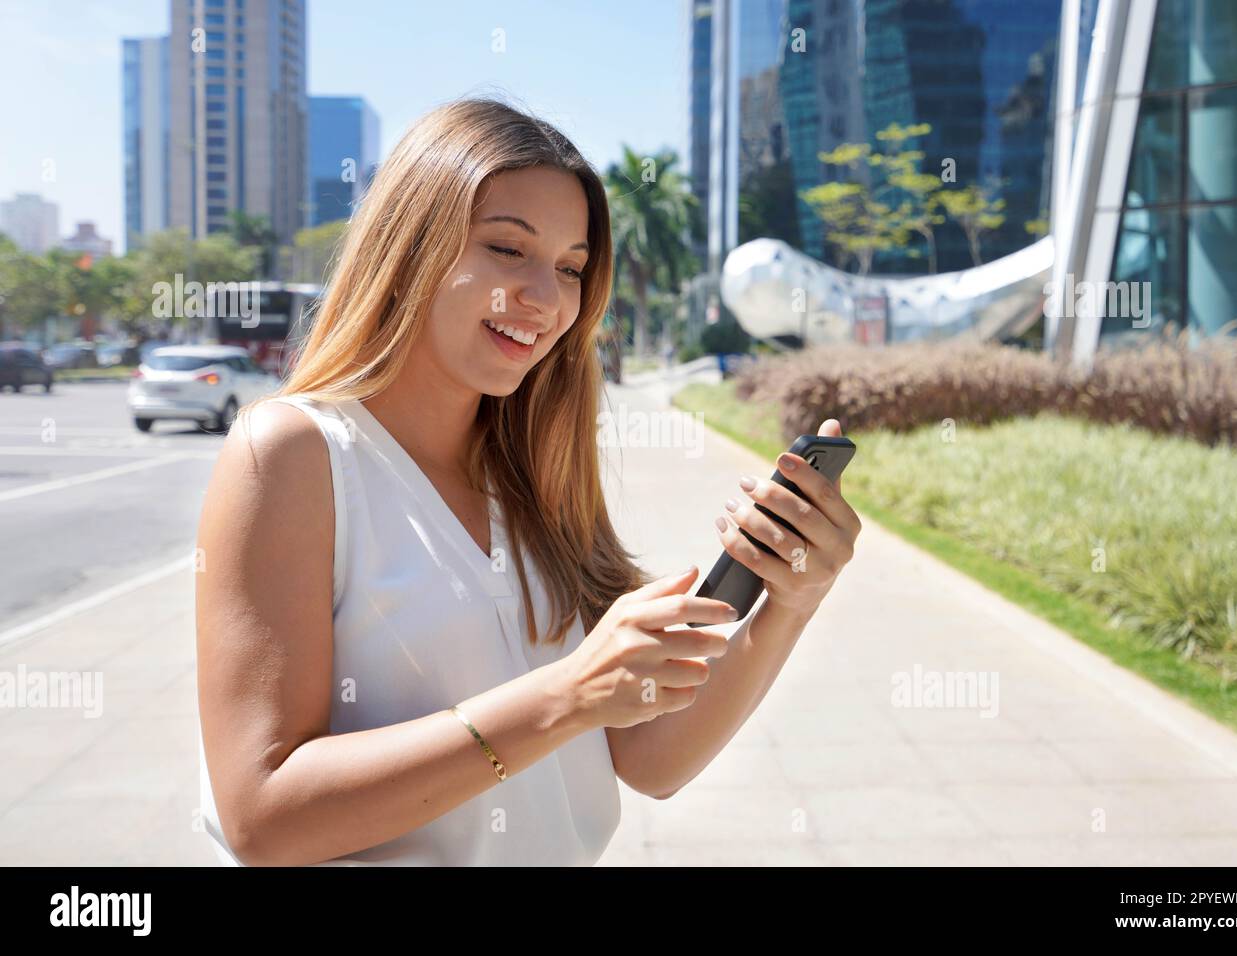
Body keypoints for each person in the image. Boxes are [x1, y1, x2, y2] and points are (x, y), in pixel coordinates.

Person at [194, 96, 862, 866]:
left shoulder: (533, 472)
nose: (546, 300)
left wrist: (789, 602)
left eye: (571, 268)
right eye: (508, 250)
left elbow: (649, 760)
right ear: (411, 244)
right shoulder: (293, 453)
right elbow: (263, 815)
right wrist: (565, 695)